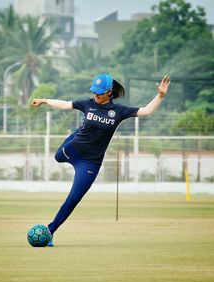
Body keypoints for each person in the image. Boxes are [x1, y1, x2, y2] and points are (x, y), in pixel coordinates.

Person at [31, 73, 170, 246]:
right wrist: (44, 100)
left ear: (109, 92)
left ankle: (50, 231)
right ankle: (78, 131)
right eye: (94, 92)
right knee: (58, 157)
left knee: (74, 198)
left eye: (99, 93)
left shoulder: (118, 111)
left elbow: (146, 110)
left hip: (90, 163)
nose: (95, 95)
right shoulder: (87, 104)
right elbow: (66, 105)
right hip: (73, 149)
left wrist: (160, 95)